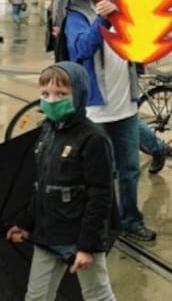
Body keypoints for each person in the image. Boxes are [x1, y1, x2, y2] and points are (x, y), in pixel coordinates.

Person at [6, 62, 116, 300]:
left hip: (79, 236)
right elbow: (41, 186)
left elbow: (100, 196)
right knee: (36, 296)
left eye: (61, 94)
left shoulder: (93, 139)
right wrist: (26, 223)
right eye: (45, 94)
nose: (52, 100)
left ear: (80, 95)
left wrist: (87, 247)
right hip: (47, 234)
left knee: (97, 294)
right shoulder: (47, 131)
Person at [64, 0, 156, 241]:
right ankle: (104, 224)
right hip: (95, 112)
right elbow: (80, 49)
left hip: (125, 106)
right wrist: (102, 18)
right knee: (100, 174)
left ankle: (131, 219)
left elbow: (141, 46)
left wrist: (120, 16)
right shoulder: (77, 14)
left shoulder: (125, 9)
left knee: (129, 169)